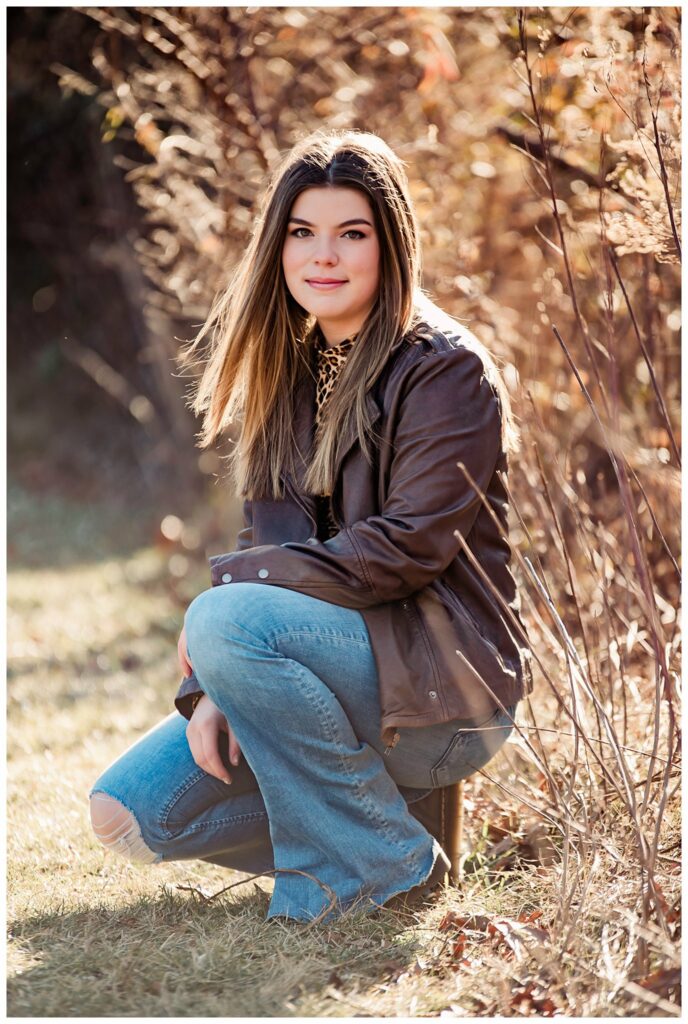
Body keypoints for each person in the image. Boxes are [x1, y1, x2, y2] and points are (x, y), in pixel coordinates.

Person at [89, 129, 532, 923]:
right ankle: (386, 836)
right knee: (128, 817)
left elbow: (404, 553)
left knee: (223, 613)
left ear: (389, 245)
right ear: (278, 247)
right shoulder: (290, 370)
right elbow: (269, 543)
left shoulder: (444, 369)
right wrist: (216, 683)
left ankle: (381, 870)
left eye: (351, 234)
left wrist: (226, 607)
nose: (323, 256)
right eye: (302, 233)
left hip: (443, 691)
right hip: (332, 675)